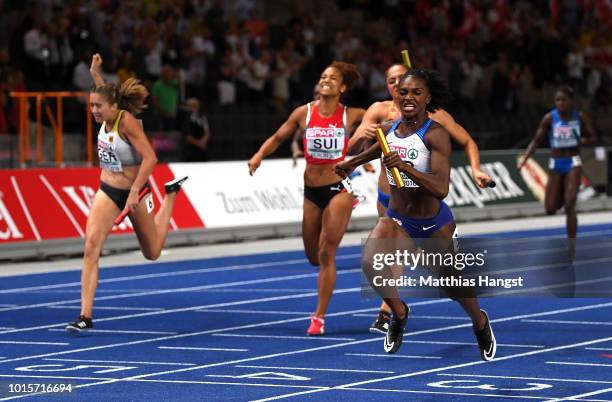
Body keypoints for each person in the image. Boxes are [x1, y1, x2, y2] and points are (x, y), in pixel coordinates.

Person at [335, 69, 496, 360]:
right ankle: (399, 312)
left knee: (452, 286)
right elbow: (378, 149)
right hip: (398, 219)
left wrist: (405, 167)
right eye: (404, 92)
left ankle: (479, 321)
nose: (409, 97)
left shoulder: (436, 134)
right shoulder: (388, 130)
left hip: (434, 223)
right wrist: (351, 163)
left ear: (428, 97)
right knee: (371, 262)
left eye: (416, 93)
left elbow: (441, 188)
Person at [66, 54, 188, 333]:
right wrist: (95, 72)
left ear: (113, 107)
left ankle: (171, 195)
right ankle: (85, 315)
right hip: (108, 190)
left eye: (98, 107)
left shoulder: (127, 122)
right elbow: (103, 92)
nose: (94, 111)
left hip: (137, 191)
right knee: (91, 247)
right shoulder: (105, 110)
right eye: (91, 106)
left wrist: (135, 192)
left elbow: (151, 158)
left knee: (153, 252)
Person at [248, 61, 365, 335]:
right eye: (323, 76)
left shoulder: (352, 114)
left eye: (332, 78)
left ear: (342, 87)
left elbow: (385, 117)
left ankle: (319, 317)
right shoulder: (304, 113)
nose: (326, 80)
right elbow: (278, 137)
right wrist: (258, 156)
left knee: (327, 252)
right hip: (312, 192)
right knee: (313, 256)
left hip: (339, 188)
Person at [518, 85, 596, 258]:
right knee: (551, 208)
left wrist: (582, 140)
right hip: (556, 164)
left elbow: (593, 137)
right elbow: (536, 140)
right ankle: (565, 195)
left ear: (571, 101)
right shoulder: (549, 118)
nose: (559, 103)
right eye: (557, 100)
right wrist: (526, 158)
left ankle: (571, 246)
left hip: (573, 162)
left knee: (570, 205)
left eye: (563, 99)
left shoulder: (580, 116)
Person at [182, 97, 212, 162]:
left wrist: (203, 141)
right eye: (192, 106)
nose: (194, 108)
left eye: (195, 105)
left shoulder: (203, 117)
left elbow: (207, 132)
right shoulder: (186, 119)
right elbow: (187, 136)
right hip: (191, 150)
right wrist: (198, 143)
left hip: (202, 149)